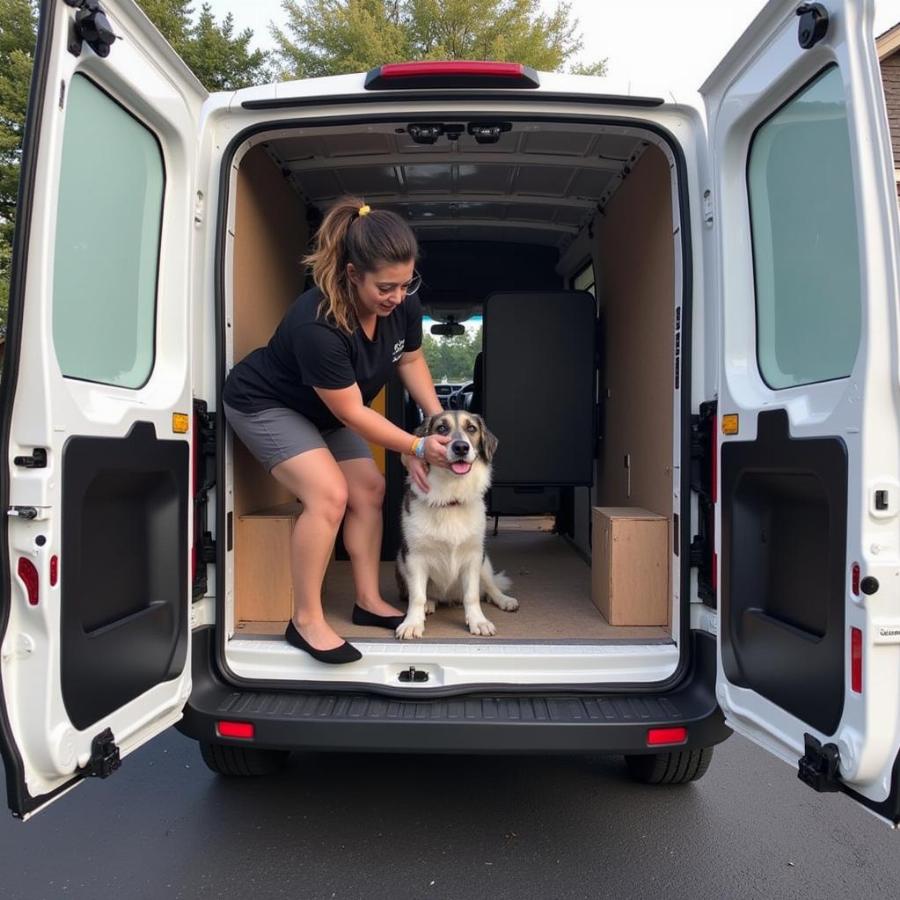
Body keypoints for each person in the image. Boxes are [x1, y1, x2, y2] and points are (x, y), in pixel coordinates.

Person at [222, 196, 450, 664]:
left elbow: (410, 359)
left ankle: (367, 602)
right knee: (329, 495)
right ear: (351, 274)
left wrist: (435, 422)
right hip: (266, 403)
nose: (398, 296)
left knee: (369, 488)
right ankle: (305, 620)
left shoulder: (402, 303)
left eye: (407, 284)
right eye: (386, 287)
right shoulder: (318, 323)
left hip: (324, 411)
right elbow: (350, 412)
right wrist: (417, 444)